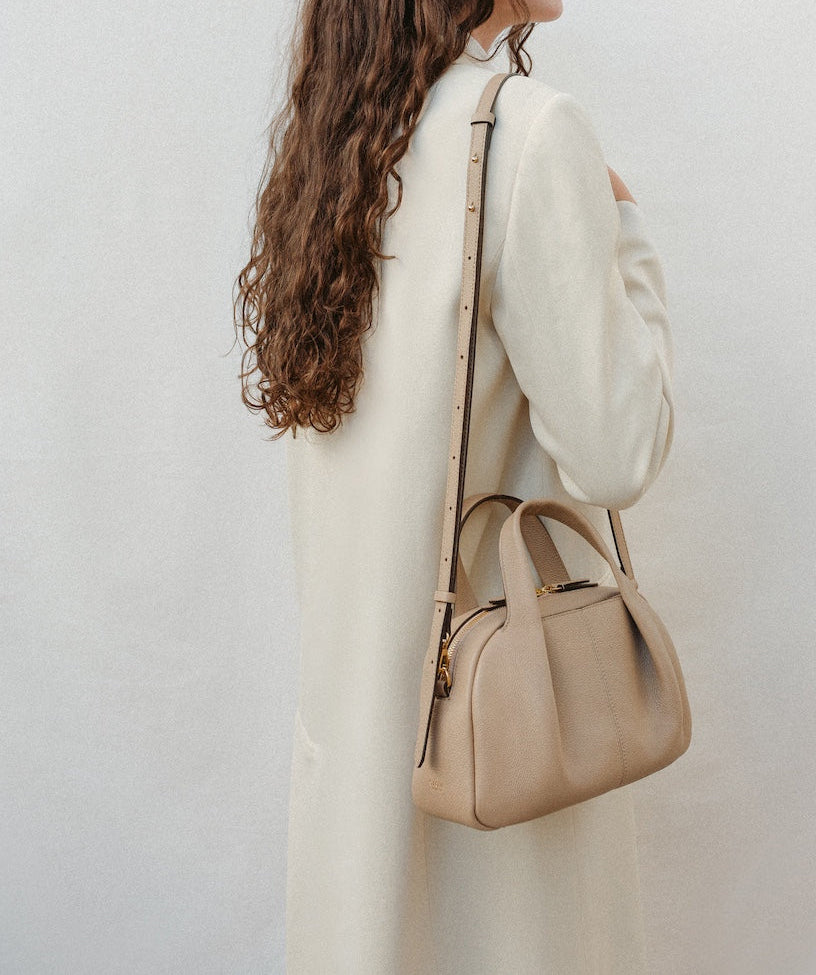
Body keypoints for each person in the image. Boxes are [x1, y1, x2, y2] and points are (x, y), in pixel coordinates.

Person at [234, 1, 675, 971]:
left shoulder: (336, 143)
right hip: (499, 728)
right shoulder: (527, 131)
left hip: (355, 722)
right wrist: (629, 238)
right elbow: (615, 455)